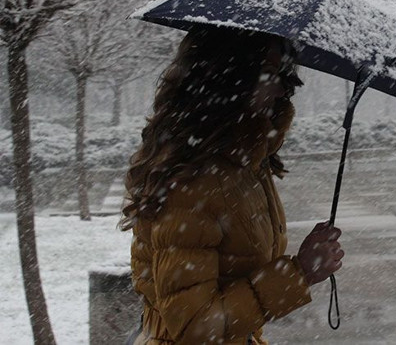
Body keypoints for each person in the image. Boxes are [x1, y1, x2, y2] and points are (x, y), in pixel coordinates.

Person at [119, 27, 343, 344]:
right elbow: (195, 327)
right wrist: (299, 273)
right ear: (227, 77)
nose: (280, 90)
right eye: (268, 74)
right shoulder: (194, 181)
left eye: (281, 75)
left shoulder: (242, 162)